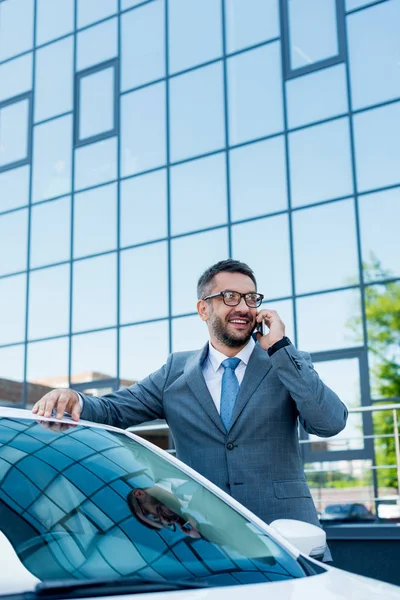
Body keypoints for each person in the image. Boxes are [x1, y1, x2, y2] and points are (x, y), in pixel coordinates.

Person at [32, 259, 347, 558]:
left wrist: (280, 348)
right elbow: (115, 411)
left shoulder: (286, 361)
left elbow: (330, 422)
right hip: (206, 544)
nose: (243, 307)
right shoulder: (176, 371)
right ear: (203, 308)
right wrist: (75, 399)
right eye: (230, 297)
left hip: (286, 539)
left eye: (251, 298)